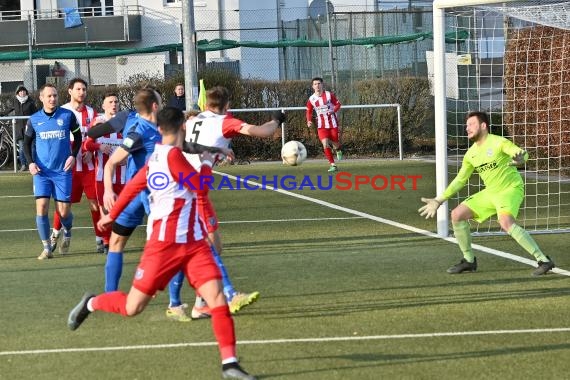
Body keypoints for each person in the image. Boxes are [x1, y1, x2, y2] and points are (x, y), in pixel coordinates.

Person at [68, 107, 257, 380]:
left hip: (193, 245)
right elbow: (198, 186)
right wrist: (206, 162)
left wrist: (112, 214)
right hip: (163, 247)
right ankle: (91, 303)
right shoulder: (172, 157)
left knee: (216, 298)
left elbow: (135, 184)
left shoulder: (160, 155)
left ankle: (230, 364)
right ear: (182, 127)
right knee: (133, 307)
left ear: (159, 130)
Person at [87, 93, 234, 322]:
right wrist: (107, 190)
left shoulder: (160, 129)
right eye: (159, 99)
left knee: (125, 242)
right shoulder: (139, 131)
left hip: (144, 191)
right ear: (155, 105)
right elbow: (114, 161)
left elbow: (186, 145)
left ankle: (172, 300)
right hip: (148, 194)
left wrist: (217, 150)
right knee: (174, 241)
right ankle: (192, 299)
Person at [184, 85, 285, 319]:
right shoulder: (225, 122)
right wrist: (277, 120)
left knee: (214, 246)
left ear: (206, 104)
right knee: (206, 248)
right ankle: (228, 294)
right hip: (192, 190)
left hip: (189, 184)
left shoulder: (193, 120)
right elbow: (262, 131)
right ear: (227, 106)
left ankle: (200, 302)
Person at [418, 111, 556, 276]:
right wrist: (439, 200)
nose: (467, 128)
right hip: (491, 192)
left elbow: (520, 153)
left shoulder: (498, 142)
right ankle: (469, 261)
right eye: (466, 125)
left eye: (471, 125)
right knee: (457, 214)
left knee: (505, 222)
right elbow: (461, 180)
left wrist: (521, 159)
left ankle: (543, 260)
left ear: (483, 126)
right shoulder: (471, 154)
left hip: (509, 189)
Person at [22, 83, 81, 260]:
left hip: (62, 171)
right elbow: (25, 143)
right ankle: (47, 248)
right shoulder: (34, 119)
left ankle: (68, 230)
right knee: (41, 207)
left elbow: (78, 137)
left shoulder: (67, 115)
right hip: (42, 172)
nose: (53, 98)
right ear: (41, 98)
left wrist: (73, 156)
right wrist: (31, 163)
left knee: (63, 213)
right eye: (49, 96)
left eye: (55, 95)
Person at [50, 78, 102, 255]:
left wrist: (89, 147)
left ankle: (100, 240)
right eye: (78, 89)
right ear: (70, 91)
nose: (82, 92)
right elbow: (56, 138)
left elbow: (95, 135)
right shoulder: (62, 111)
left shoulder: (91, 112)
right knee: (64, 205)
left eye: (84, 89)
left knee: (95, 203)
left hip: (88, 168)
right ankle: (55, 236)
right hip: (68, 168)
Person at [83, 92, 123, 255]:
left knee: (121, 209)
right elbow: (87, 144)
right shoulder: (98, 123)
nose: (114, 104)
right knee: (105, 209)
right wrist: (99, 147)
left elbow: (133, 142)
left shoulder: (124, 123)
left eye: (116, 102)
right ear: (104, 106)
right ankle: (107, 242)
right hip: (102, 175)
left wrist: (128, 155)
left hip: (122, 174)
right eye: (110, 102)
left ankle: (116, 238)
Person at [306, 77, 343, 172]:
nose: (317, 86)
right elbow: (309, 111)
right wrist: (309, 120)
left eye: (319, 83)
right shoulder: (312, 99)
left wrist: (333, 110)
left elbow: (338, 105)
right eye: (315, 84)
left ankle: (338, 150)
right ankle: (333, 165)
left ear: (322, 85)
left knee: (335, 144)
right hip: (321, 126)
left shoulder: (329, 95)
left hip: (332, 124)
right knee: (325, 144)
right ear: (312, 86)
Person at [2, 85, 37, 171]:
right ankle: (23, 165)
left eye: (24, 91)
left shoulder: (30, 102)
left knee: (32, 148)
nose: (22, 92)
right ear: (18, 93)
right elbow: (9, 110)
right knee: (21, 148)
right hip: (19, 129)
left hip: (29, 129)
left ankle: (32, 165)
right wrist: (2, 114)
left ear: (26, 92)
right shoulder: (15, 101)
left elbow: (36, 113)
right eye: (20, 91)